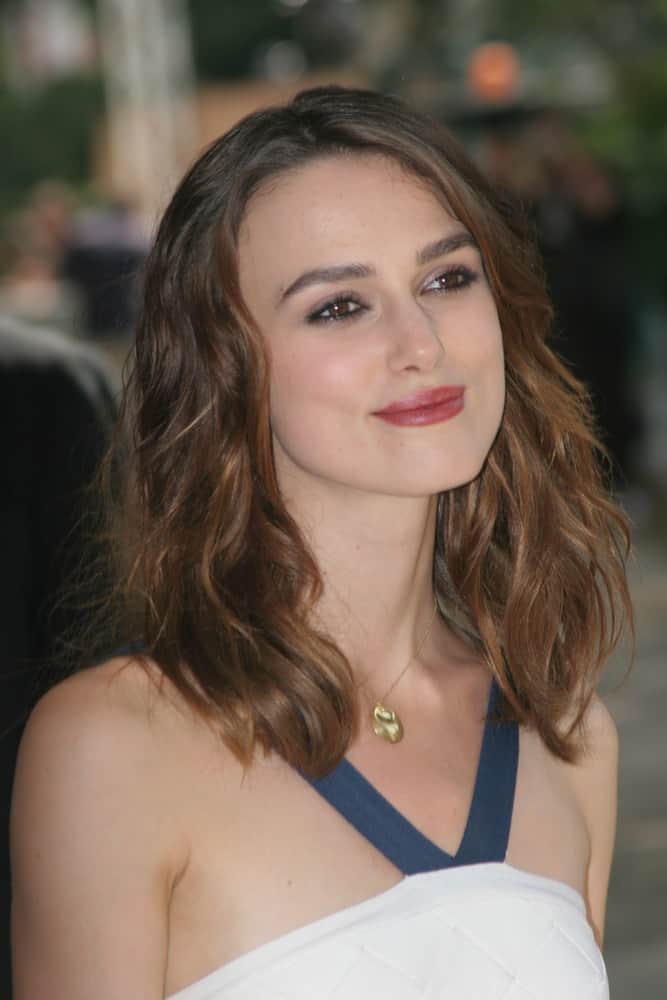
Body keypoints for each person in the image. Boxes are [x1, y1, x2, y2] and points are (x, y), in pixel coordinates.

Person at [10, 86, 632, 999]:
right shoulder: (114, 745)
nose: (420, 342)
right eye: (340, 306)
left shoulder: (567, 736)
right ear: (225, 371)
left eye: (446, 279)